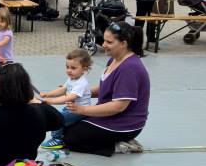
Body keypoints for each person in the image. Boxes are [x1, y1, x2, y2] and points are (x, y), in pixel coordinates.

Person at [62, 22, 150, 157]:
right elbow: (105, 88)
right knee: (65, 125)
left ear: (123, 44)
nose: (103, 45)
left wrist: (83, 109)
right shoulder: (115, 60)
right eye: (104, 40)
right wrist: (76, 92)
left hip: (125, 124)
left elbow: (118, 106)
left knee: (71, 138)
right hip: (111, 117)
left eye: (109, 42)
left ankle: (120, 146)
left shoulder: (129, 68)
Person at [40, 49, 93, 150]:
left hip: (80, 111)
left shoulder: (81, 83)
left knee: (59, 118)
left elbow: (69, 97)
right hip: (71, 108)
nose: (69, 70)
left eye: (73, 68)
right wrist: (48, 94)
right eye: (67, 67)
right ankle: (62, 134)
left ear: (84, 69)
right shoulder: (72, 79)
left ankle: (57, 139)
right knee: (60, 116)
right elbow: (63, 89)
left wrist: (50, 101)